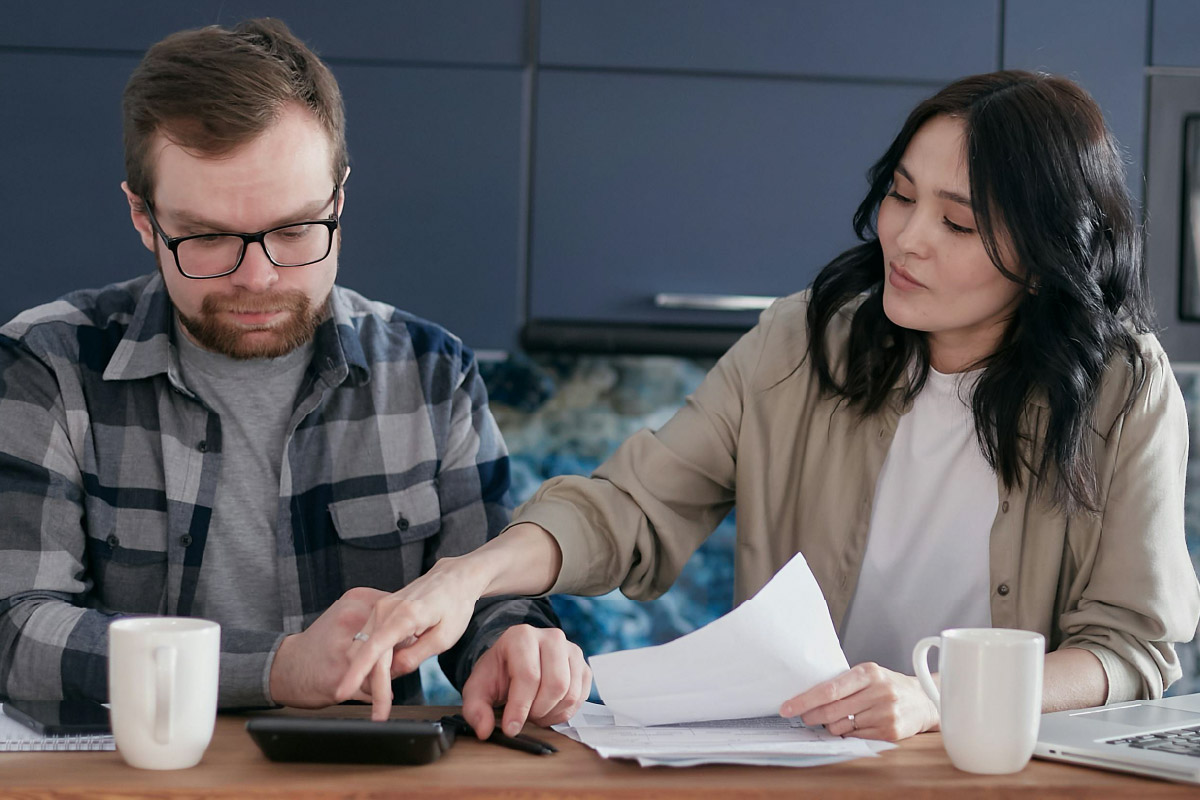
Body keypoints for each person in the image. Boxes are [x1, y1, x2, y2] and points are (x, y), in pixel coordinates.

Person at [336, 70, 1200, 741]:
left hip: (1000, 775)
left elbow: (1131, 648)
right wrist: (466, 577)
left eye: (959, 224)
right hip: (809, 768)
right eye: (900, 195)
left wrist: (941, 698)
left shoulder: (1126, 392)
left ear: (1046, 256)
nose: (906, 237)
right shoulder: (801, 341)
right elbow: (632, 507)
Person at [0, 18, 589, 738]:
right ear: (143, 218)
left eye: (293, 231)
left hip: (364, 783)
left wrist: (512, 648)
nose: (259, 276)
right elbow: (14, 630)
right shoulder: (45, 366)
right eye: (208, 236)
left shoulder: (431, 374)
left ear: (338, 202)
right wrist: (275, 668)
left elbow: (486, 591)